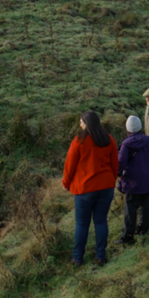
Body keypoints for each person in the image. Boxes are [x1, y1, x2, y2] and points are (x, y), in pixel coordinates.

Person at [62, 110, 118, 266]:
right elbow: (115, 164)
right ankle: (101, 256)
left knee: (82, 223)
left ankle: (77, 258)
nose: (80, 124)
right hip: (106, 187)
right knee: (101, 221)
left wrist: (66, 183)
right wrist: (111, 180)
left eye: (81, 122)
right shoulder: (109, 139)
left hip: (85, 188)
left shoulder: (79, 141)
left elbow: (69, 165)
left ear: (87, 124)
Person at [114, 115, 149, 245]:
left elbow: (121, 163)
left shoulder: (126, 145)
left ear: (128, 129)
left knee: (130, 208)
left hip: (132, 181)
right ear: (140, 127)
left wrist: (119, 175)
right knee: (145, 205)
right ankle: (143, 229)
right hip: (147, 179)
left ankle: (127, 236)